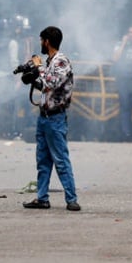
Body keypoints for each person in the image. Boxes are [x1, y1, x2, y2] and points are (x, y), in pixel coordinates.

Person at [22, 25, 80, 212]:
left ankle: (71, 199)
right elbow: (44, 86)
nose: (40, 43)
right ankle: (42, 198)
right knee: (43, 161)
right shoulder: (51, 62)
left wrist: (38, 67)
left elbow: (51, 83)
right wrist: (32, 77)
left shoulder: (61, 61)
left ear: (47, 41)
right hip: (44, 117)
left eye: (41, 40)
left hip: (55, 119)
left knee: (61, 160)